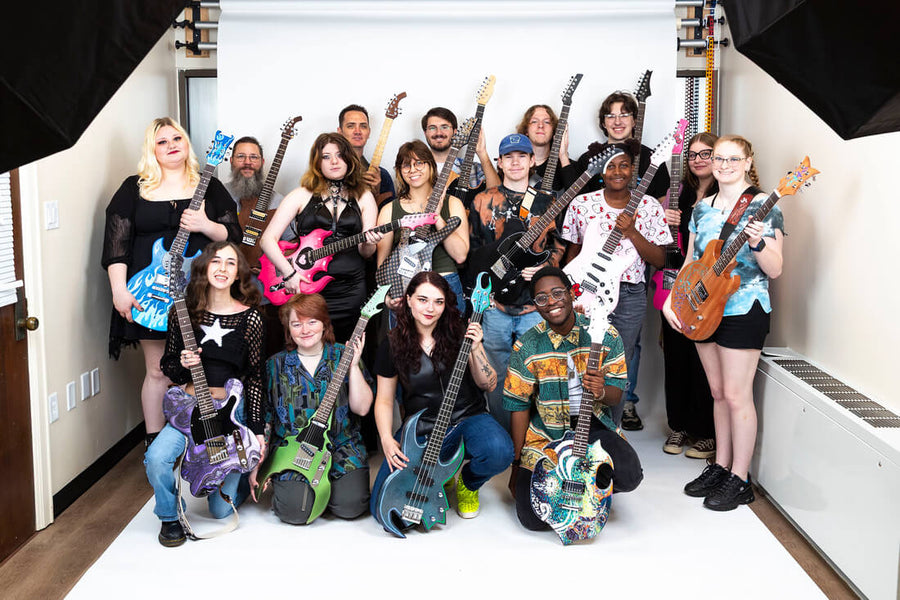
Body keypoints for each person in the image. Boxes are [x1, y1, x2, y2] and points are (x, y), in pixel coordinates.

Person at [102, 117, 240, 449]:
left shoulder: (208, 186)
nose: (171, 146)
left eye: (176, 138)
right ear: (152, 149)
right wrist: (119, 290)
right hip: (150, 294)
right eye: (162, 141)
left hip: (200, 293)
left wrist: (205, 225)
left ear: (186, 143)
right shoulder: (134, 188)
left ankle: (200, 443)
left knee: (204, 368)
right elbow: (116, 244)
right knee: (157, 371)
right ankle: (155, 447)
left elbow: (234, 236)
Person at [663, 134, 784, 511]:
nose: (724, 165)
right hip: (703, 307)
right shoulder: (702, 208)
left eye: (733, 159)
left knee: (736, 394)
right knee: (717, 393)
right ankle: (721, 465)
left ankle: (740, 478)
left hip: (744, 307)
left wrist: (758, 244)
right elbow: (691, 262)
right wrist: (672, 300)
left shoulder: (764, 205)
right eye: (719, 158)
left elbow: (775, 269)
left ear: (748, 162)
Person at [145, 241, 266, 547]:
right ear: (203, 267)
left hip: (228, 414)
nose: (222, 268)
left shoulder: (251, 318)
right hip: (188, 409)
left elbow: (255, 377)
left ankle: (235, 472)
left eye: (230, 263)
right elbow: (169, 366)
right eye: (216, 261)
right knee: (156, 458)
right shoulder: (181, 313)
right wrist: (183, 363)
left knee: (221, 511)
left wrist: (257, 430)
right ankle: (169, 515)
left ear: (238, 273)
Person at [504, 266, 642, 531]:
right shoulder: (527, 346)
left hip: (592, 427)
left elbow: (616, 394)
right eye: (542, 298)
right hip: (546, 434)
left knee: (629, 474)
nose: (551, 302)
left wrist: (601, 390)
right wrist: (517, 464)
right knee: (532, 519)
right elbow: (517, 405)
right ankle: (566, 483)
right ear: (535, 305)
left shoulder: (604, 335)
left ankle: (589, 487)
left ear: (571, 293)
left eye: (558, 293)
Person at [370, 272, 513, 520]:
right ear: (408, 300)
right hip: (423, 428)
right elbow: (383, 399)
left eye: (438, 301)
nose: (430, 308)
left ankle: (468, 484)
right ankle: (443, 474)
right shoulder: (392, 344)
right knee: (384, 509)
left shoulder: (459, 332)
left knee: (499, 450)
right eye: (423, 300)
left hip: (468, 417)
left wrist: (476, 347)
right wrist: (386, 438)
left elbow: (488, 384)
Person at [561, 141, 671, 426]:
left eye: (624, 165)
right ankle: (576, 428)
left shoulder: (649, 206)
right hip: (585, 290)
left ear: (633, 169)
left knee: (619, 363)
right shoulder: (582, 204)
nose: (617, 172)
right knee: (577, 358)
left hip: (629, 293)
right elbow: (572, 254)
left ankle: (611, 430)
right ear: (601, 171)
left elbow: (660, 259)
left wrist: (632, 232)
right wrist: (570, 291)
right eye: (611, 166)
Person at [468, 133, 565, 433]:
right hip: (495, 307)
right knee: (497, 376)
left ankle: (536, 438)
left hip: (535, 307)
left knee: (540, 373)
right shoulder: (482, 200)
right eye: (508, 157)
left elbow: (560, 246)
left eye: (522, 156)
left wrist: (543, 268)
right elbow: (473, 251)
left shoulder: (548, 202)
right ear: (499, 162)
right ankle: (503, 437)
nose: (515, 162)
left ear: (532, 160)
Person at [259, 132, 382, 343]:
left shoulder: (364, 196)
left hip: (351, 290)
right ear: (317, 162)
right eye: (326, 156)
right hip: (307, 288)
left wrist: (370, 243)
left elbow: (365, 252)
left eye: (339, 155)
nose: (334, 161)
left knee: (348, 350)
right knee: (309, 348)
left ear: (349, 159)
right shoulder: (301, 194)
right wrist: (289, 274)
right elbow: (267, 240)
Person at [263, 293, 373, 523]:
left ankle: (331, 487)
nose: (305, 330)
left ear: (324, 323)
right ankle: (300, 490)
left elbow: (362, 409)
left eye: (312, 321)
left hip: (342, 445)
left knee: (350, 507)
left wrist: (353, 366)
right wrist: (261, 463)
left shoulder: (344, 355)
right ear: (288, 328)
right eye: (296, 324)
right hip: (295, 450)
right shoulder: (275, 365)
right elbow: (267, 416)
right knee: (295, 512)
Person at [659, 132, 718, 459]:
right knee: (676, 357)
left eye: (705, 153)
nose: (698, 159)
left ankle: (705, 431)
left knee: (703, 361)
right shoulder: (676, 193)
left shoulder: (726, 194)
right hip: (676, 286)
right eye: (692, 154)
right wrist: (663, 217)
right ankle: (678, 425)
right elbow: (659, 240)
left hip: (710, 289)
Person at [375, 140, 469, 313]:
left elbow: (460, 255)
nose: (413, 170)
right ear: (399, 171)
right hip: (406, 288)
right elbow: (382, 265)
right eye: (406, 165)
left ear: (431, 166)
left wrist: (438, 217)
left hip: (445, 284)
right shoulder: (389, 210)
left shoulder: (453, 203)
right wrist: (386, 296)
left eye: (419, 163)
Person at [560, 90, 670, 198]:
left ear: (634, 121)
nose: (617, 122)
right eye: (611, 116)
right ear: (603, 123)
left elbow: (663, 201)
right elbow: (576, 201)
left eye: (624, 115)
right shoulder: (588, 159)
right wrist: (563, 156)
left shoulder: (654, 158)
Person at [421, 106, 500, 207]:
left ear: (455, 132)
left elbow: (498, 195)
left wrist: (482, 153)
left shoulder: (474, 168)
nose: (439, 133)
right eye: (432, 128)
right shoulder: (416, 170)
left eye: (444, 127)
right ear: (425, 133)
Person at [337, 104, 396, 208]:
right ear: (340, 132)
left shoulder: (382, 176)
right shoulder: (329, 170)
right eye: (351, 126)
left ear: (369, 132)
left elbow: (390, 214)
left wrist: (376, 194)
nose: (357, 131)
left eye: (363, 126)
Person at [516, 104, 571, 194]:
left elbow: (579, 199)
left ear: (554, 131)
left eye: (547, 122)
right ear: (526, 130)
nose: (541, 125)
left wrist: (563, 156)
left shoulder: (567, 165)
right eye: (534, 121)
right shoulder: (514, 165)